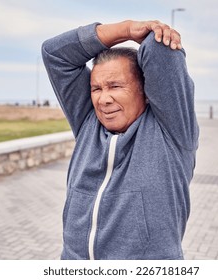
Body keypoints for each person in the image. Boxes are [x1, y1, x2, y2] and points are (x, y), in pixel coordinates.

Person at [42, 20, 199, 260]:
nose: (103, 99)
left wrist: (149, 33)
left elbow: (159, 49)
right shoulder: (88, 122)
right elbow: (55, 53)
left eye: (115, 86)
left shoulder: (172, 133)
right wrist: (125, 30)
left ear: (145, 91)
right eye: (96, 89)